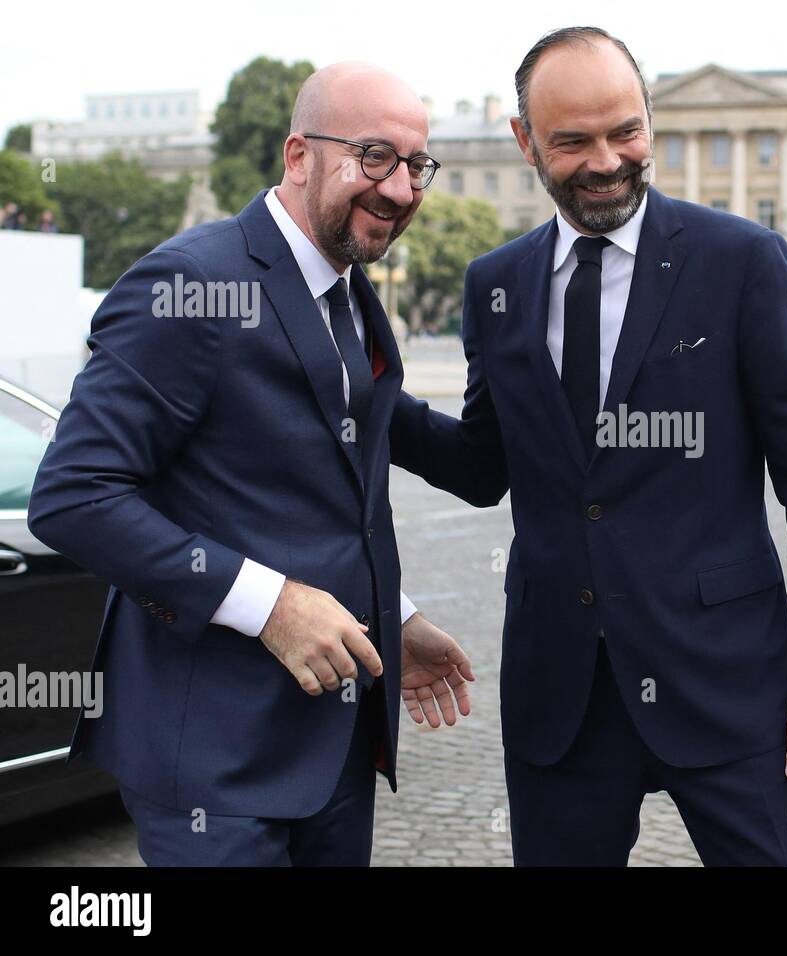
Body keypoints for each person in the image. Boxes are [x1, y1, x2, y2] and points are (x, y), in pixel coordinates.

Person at [392, 26, 787, 866]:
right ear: (524, 140)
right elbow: (482, 465)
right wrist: (366, 403)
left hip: (729, 684)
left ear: (649, 120)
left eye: (627, 132)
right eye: (573, 141)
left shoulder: (744, 262)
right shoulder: (495, 284)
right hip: (561, 695)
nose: (607, 160)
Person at [27, 62, 475, 866]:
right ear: (298, 156)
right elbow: (74, 497)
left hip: (337, 745)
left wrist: (394, 612)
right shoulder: (189, 281)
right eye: (375, 156)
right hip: (213, 760)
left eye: (416, 165)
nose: (402, 189)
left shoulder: (348, 292)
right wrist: (270, 605)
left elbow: (314, 486)